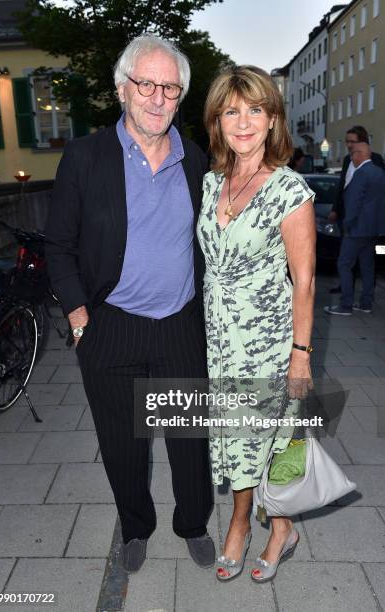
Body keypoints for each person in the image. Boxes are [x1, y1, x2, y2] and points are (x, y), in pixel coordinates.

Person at [45, 33, 215, 573]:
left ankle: (192, 523)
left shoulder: (198, 162)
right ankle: (135, 528)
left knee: (190, 441)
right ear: (123, 89)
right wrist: (77, 314)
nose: (159, 97)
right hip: (111, 326)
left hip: (180, 326)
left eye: (170, 87)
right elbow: (59, 244)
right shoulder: (86, 157)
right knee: (122, 443)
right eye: (147, 84)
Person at [198, 65, 316, 582]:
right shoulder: (210, 183)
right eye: (231, 111)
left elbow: (305, 281)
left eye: (254, 110)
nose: (242, 122)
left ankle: (276, 527)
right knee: (239, 440)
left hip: (269, 345)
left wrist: (301, 355)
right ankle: (244, 521)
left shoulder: (290, 190)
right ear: (217, 121)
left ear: (272, 120)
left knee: (272, 444)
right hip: (222, 344)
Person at [324, 142, 385, 316]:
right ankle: (366, 303)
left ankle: (346, 305)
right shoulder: (380, 172)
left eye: (352, 154)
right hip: (373, 229)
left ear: (359, 154)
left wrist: (347, 224)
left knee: (344, 264)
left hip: (357, 228)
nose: (351, 158)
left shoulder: (361, 174)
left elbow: (353, 203)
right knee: (367, 266)